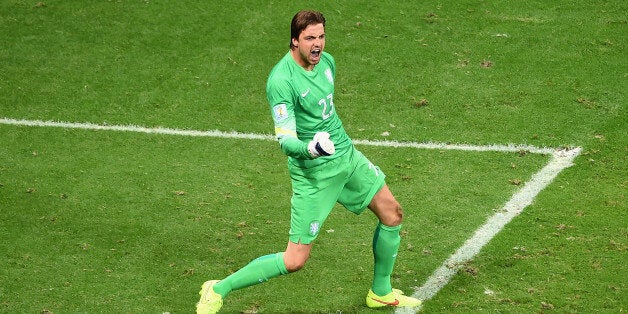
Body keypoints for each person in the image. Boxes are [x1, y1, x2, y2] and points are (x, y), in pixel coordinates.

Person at [196, 10, 422, 313]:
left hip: (346, 156)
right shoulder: (281, 80)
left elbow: (324, 112)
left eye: (321, 36)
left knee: (392, 214)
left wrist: (333, 145)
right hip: (314, 174)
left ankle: (380, 292)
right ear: (294, 40)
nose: (318, 44)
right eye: (310, 38)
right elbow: (286, 140)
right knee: (294, 260)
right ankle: (218, 288)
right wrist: (312, 148)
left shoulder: (327, 63)